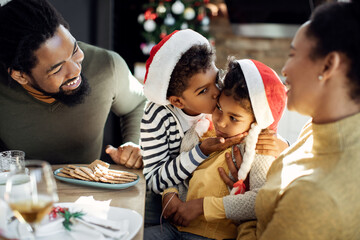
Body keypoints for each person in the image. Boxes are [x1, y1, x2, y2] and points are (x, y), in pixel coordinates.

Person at [237, 1, 360, 240]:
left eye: (292, 54)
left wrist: (241, 209)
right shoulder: (318, 127)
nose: (284, 69)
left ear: (328, 64)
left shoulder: (314, 197)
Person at [141, 30, 288, 226]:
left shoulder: (224, 100)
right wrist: (198, 155)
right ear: (177, 101)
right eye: (203, 91)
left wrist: (281, 144)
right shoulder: (160, 116)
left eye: (217, 79)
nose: (217, 92)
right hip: (165, 202)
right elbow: (157, 176)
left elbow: (260, 115)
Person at [0, 0, 146, 168]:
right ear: (20, 76)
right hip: (21, 190)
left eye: (75, 50)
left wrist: (134, 144)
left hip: (89, 190)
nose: (76, 71)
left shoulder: (107, 66)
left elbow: (139, 103)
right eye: (57, 69)